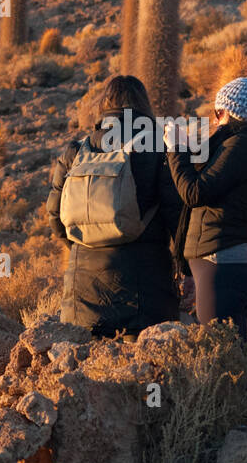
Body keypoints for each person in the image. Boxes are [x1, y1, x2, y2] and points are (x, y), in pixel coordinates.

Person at [46, 75, 182, 340]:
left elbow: (55, 217)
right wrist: (187, 270)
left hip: (81, 298)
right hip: (145, 296)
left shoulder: (76, 151)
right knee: (144, 376)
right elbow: (177, 215)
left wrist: (86, 245)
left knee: (86, 376)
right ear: (143, 105)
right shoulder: (160, 148)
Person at [164, 77, 247, 345]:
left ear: (228, 113)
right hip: (224, 269)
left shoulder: (242, 147)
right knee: (228, 353)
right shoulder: (240, 147)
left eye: (217, 112)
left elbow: (194, 192)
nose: (215, 119)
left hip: (223, 269)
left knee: (222, 356)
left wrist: (177, 149)